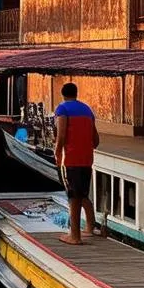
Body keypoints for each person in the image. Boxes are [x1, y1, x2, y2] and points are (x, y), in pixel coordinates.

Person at [54, 82, 101, 244]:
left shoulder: (62, 109)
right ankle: (90, 227)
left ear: (63, 94)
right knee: (82, 194)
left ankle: (74, 236)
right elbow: (96, 140)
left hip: (70, 158)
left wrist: (57, 152)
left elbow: (61, 135)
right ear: (76, 93)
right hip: (87, 159)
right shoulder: (87, 110)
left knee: (72, 195)